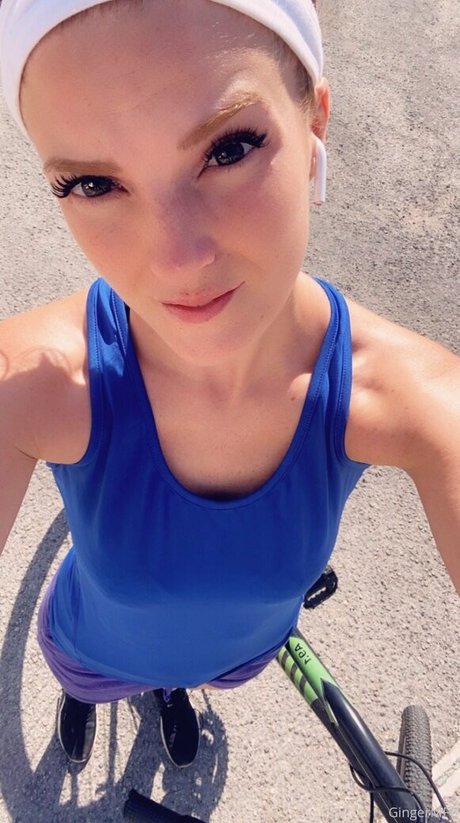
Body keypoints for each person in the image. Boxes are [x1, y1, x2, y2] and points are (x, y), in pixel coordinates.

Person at [0, 0, 458, 774]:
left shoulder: (411, 400)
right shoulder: (42, 380)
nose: (176, 259)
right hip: (91, 650)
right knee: (88, 679)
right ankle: (84, 696)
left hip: (235, 657)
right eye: (91, 183)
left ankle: (171, 688)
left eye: (229, 148)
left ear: (315, 121)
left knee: (179, 673)